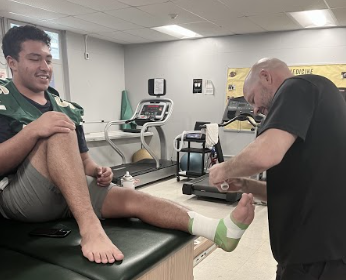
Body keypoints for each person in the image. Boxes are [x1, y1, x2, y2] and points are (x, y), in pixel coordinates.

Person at [0, 25, 255, 264]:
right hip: (23, 198)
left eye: (47, 58)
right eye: (34, 59)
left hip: (69, 193)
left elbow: (84, 162)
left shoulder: (64, 107)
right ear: (12, 62)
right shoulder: (5, 102)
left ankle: (218, 230)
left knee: (135, 198)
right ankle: (91, 228)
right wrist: (33, 130)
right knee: (56, 128)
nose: (45, 66)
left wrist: (99, 170)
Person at [209, 57, 346, 279]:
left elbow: (265, 154)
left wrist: (223, 169)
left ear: (266, 76)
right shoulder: (318, 97)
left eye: (253, 98)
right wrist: (246, 184)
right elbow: (298, 188)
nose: (254, 110)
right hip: (316, 253)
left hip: (314, 256)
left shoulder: (297, 86)